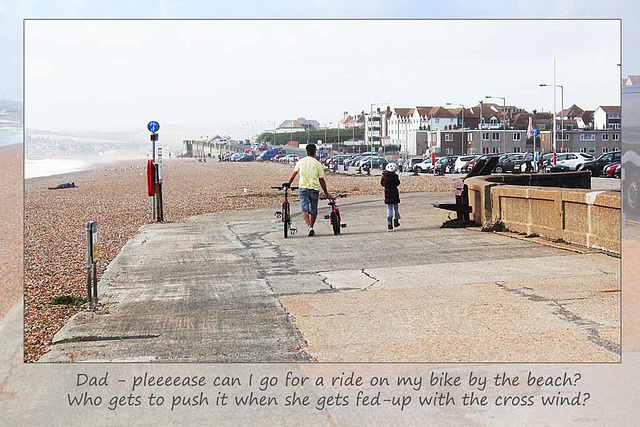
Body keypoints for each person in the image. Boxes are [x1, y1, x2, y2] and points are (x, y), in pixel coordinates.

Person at [285, 144, 332, 236]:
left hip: (303, 188)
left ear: (306, 152)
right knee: (313, 209)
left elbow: (293, 174)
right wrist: (326, 192)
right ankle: (311, 227)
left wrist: (288, 184)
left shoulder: (301, 162)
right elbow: (321, 179)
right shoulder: (317, 164)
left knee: (304, 207)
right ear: (315, 152)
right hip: (314, 189)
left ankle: (309, 226)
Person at [380, 163, 401, 230]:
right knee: (396, 208)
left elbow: (382, 184)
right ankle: (396, 220)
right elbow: (398, 183)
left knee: (389, 208)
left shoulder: (384, 176)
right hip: (395, 194)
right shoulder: (395, 176)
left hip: (387, 194)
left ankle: (389, 221)